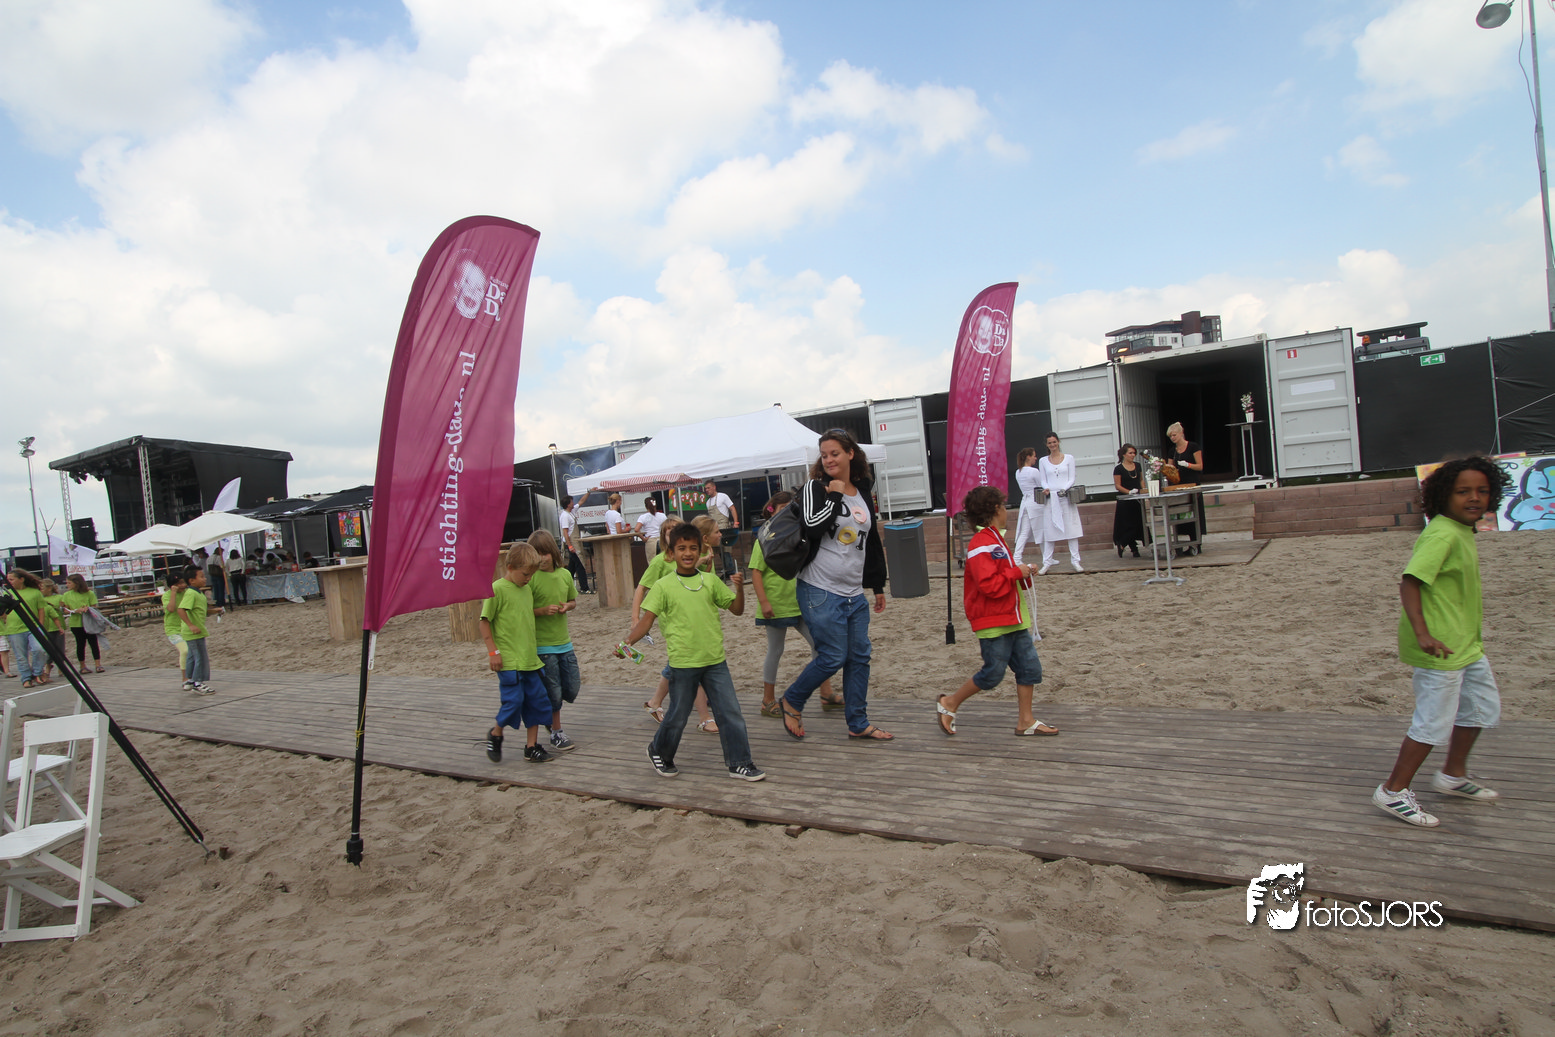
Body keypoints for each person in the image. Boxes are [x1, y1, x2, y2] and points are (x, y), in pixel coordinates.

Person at [1372, 457, 1512, 827]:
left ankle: (1453, 775)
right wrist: (1422, 633)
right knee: (1432, 722)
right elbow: (1410, 583)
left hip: (1465, 645)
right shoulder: (1442, 534)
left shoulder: (1461, 530)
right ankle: (1393, 791)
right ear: (1443, 495)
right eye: (1463, 491)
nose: (1474, 498)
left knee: (1480, 709)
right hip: (1439, 648)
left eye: (1482, 491)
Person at [621, 522, 764, 781]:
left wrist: (739, 590)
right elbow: (647, 620)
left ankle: (740, 763)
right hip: (683, 662)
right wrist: (628, 642)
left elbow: (736, 610)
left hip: (715, 660)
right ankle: (659, 751)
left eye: (693, 548)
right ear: (671, 552)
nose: (688, 553)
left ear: (701, 550)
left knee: (730, 712)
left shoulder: (710, 581)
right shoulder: (663, 586)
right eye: (682, 548)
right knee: (677, 715)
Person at [779, 428, 893, 742]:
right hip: (819, 588)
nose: (829, 459)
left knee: (859, 657)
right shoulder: (815, 488)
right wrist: (835, 494)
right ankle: (793, 699)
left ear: (850, 453)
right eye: (824, 455)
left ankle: (858, 722)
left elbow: (870, 541)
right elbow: (813, 527)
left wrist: (877, 584)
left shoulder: (863, 489)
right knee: (832, 656)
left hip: (854, 592)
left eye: (835, 453)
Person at [934, 486, 1058, 737]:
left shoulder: (995, 539)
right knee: (992, 674)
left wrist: (1024, 574)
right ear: (995, 509)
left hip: (1013, 618)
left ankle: (1026, 720)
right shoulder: (982, 543)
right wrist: (1016, 572)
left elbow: (1004, 578)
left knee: (1029, 668)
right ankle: (950, 702)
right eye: (1003, 505)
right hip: (994, 621)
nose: (1006, 511)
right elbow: (989, 585)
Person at [748, 490, 840, 718]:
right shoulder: (765, 538)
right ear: (772, 512)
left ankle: (826, 693)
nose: (788, 515)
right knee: (776, 650)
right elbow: (756, 573)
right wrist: (764, 602)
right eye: (783, 510)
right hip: (776, 605)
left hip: (799, 602)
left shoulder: (797, 535)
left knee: (819, 645)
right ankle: (767, 700)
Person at [638, 516, 719, 732]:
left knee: (677, 665)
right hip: (673, 622)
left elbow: (704, 584)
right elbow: (642, 587)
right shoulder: (660, 562)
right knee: (693, 665)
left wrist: (707, 563)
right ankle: (704, 718)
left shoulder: (697, 557)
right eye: (669, 531)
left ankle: (655, 702)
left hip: (694, 621)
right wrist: (635, 619)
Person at [479, 542, 553, 764]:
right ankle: (496, 733)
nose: (528, 579)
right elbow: (484, 622)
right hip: (509, 661)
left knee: (537, 702)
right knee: (513, 701)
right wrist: (493, 652)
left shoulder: (526, 590)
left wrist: (544, 611)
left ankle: (531, 747)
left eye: (531, 574)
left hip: (530, 659)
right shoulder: (497, 589)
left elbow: (524, 614)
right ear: (510, 567)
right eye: (525, 574)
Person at [527, 530, 580, 754]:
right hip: (543, 646)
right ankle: (556, 731)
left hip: (564, 643)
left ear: (553, 552)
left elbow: (573, 600)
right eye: (537, 554)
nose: (542, 559)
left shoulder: (564, 575)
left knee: (572, 688)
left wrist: (568, 606)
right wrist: (540, 611)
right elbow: (523, 610)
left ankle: (550, 716)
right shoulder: (530, 579)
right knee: (554, 692)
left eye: (545, 553)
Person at [1038, 433, 1084, 574]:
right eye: (1049, 443)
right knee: (1049, 530)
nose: (1052, 445)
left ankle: (1075, 561)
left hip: (1066, 497)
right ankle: (1046, 562)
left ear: (1058, 442)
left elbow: (1071, 478)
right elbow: (1043, 479)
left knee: (1072, 530)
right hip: (1052, 498)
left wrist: (1064, 489)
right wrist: (1047, 488)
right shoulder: (1043, 461)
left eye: (1054, 442)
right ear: (1047, 445)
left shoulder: (1069, 458)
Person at [177, 564, 220, 695]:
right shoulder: (191, 593)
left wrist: (215, 611)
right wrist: (191, 625)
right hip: (193, 632)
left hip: (196, 631)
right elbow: (181, 610)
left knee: (192, 656)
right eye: (201, 576)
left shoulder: (198, 593)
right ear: (192, 580)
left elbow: (201, 610)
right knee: (200, 656)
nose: (204, 578)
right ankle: (198, 682)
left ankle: (190, 680)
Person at [1165, 422, 1206, 552]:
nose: (1172, 438)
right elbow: (1169, 468)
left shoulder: (1193, 446)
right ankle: (1179, 543)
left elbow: (1200, 466)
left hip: (1192, 483)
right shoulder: (1172, 451)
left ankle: (1196, 542)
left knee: (1194, 511)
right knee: (1181, 512)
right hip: (1179, 484)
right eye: (1170, 436)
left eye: (1174, 435)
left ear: (1181, 433)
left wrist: (1188, 465)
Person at [3, 569, 47, 688]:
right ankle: (26, 678)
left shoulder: (34, 592)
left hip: (33, 627)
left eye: (12, 579)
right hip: (14, 629)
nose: (9, 582)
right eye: (8, 579)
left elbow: (41, 609)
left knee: (39, 649)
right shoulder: (7, 594)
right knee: (21, 656)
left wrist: (40, 625)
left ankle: (37, 672)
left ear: (21, 579)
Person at [60, 574, 104, 673]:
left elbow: (94, 606)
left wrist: (87, 609)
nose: (67, 585)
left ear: (77, 583)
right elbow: (66, 610)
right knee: (80, 644)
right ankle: (82, 666)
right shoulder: (67, 595)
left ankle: (98, 664)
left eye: (69, 583)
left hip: (89, 622)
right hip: (76, 623)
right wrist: (76, 610)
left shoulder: (89, 593)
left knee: (93, 643)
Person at [1011, 446, 1046, 565]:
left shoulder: (1018, 472)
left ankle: (1017, 557)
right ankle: (1046, 557)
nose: (1036, 458)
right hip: (1035, 502)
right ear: (1028, 457)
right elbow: (1041, 486)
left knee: (1024, 531)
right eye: (1034, 456)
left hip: (1025, 502)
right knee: (1040, 530)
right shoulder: (1034, 471)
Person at [1112, 444, 1145, 558]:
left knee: (1138, 522)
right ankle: (1129, 546)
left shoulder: (1138, 465)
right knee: (1128, 524)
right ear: (1124, 454)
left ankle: (1135, 547)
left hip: (1137, 499)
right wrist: (1129, 492)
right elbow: (1118, 485)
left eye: (1134, 453)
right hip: (1125, 500)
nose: (1133, 455)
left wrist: (1144, 490)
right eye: (1130, 453)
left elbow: (1141, 480)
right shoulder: (1118, 469)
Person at [704, 480, 740, 577]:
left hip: (724, 527)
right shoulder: (708, 502)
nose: (707, 490)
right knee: (716, 551)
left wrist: (736, 522)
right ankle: (725, 570)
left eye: (708, 488)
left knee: (725, 550)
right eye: (706, 488)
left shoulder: (723, 496)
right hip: (714, 528)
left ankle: (730, 571)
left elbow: (732, 508)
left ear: (714, 487)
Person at [36, 579, 68, 683]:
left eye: (42, 588)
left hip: (57, 627)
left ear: (49, 588)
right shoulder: (40, 599)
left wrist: (63, 607)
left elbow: (64, 609)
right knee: (48, 649)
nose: (40, 590)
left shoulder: (58, 597)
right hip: (46, 627)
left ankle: (61, 667)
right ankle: (48, 667)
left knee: (60, 648)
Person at [558, 495, 590, 593]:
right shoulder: (565, 516)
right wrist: (570, 546)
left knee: (571, 568)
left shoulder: (571, 512)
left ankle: (564, 584)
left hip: (575, 541)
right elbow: (565, 532)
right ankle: (584, 588)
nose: (573, 503)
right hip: (572, 543)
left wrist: (589, 492)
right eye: (571, 501)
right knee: (580, 564)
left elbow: (581, 501)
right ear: (568, 504)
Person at [162, 571, 189, 686]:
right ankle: (185, 678)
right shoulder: (166, 595)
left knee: (193, 653)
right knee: (185, 650)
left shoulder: (187, 593)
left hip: (187, 627)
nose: (182, 585)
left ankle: (194, 677)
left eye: (183, 582)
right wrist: (173, 592)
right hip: (173, 630)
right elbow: (171, 609)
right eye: (179, 583)